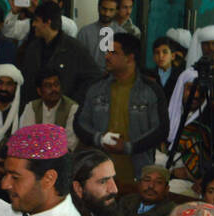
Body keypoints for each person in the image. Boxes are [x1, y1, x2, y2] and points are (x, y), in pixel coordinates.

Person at [75, 32, 167, 181]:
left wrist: (129, 147)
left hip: (138, 174)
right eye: (107, 52)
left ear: (129, 58)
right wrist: (99, 139)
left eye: (113, 53)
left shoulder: (151, 90)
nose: (107, 57)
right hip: (99, 172)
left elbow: (161, 129)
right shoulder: (95, 88)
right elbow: (79, 123)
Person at [16, 2, 102, 104]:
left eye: (36, 21)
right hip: (36, 111)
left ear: (47, 22)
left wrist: (73, 101)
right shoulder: (33, 48)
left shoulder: (74, 48)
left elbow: (94, 77)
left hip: (64, 114)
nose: (33, 24)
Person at [18, 68, 78, 149]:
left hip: (61, 158)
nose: (54, 89)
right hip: (35, 156)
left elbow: (70, 143)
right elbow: (26, 137)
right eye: (48, 86)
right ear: (39, 91)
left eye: (56, 84)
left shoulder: (72, 108)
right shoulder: (32, 106)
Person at [77, 0, 120, 70]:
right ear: (98, 8)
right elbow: (78, 60)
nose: (107, 14)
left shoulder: (122, 34)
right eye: (104, 9)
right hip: (89, 77)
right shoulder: (84, 32)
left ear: (116, 11)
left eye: (111, 10)